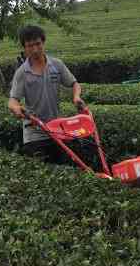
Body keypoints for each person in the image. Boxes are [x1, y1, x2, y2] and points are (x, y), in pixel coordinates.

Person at [8, 25, 84, 164]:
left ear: (43, 42)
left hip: (57, 130)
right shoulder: (21, 73)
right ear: (24, 48)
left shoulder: (56, 64)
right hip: (34, 133)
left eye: (38, 44)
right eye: (30, 46)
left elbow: (74, 84)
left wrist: (76, 96)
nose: (35, 49)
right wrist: (16, 108)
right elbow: (13, 100)